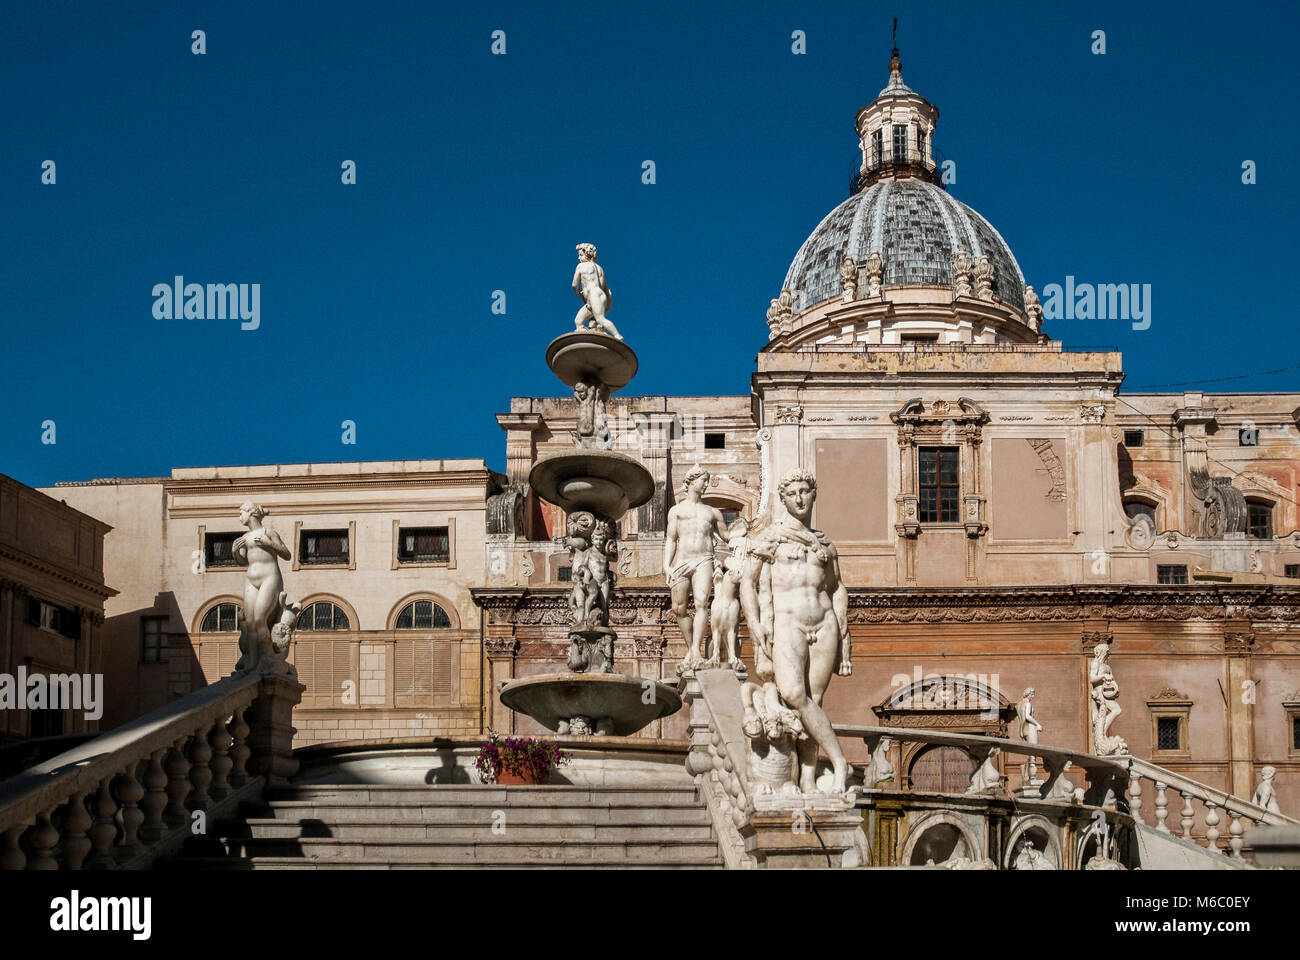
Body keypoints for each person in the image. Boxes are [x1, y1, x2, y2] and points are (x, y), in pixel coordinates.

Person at [740, 468, 852, 795]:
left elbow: (836, 588)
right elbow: (747, 582)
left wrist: (844, 635)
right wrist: (756, 623)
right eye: (793, 494)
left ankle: (807, 778)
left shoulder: (825, 545)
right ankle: (840, 761)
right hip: (787, 622)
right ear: (783, 499)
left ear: (814, 495)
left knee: (815, 699)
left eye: (805, 491)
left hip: (825, 622)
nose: (800, 498)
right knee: (793, 694)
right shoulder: (769, 539)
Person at [664, 467, 730, 671]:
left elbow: (727, 536)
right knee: (679, 608)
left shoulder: (712, 512)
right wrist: (666, 565)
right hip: (682, 561)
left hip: (704, 559)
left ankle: (695, 650)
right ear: (691, 481)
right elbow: (671, 539)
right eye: (703, 480)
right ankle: (691, 647)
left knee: (702, 604)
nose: (706, 484)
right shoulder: (676, 511)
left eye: (707, 480)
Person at [231, 501, 292, 672]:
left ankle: (268, 659)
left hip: (269, 578)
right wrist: (235, 552)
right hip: (251, 579)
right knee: (250, 622)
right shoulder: (244, 537)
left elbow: (287, 554)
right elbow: (243, 562)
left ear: (250, 513)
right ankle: (252, 662)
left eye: (241, 512)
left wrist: (269, 543)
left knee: (259, 619)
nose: (239, 516)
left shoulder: (269, 532)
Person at [572, 243, 623, 340]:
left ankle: (617, 336)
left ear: (587, 254)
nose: (579, 258)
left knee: (600, 319)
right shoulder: (600, 269)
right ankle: (592, 336)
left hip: (593, 296)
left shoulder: (581, 266)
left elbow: (574, 285)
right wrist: (607, 305)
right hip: (600, 296)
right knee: (578, 322)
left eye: (580, 255)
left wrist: (581, 295)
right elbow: (607, 290)